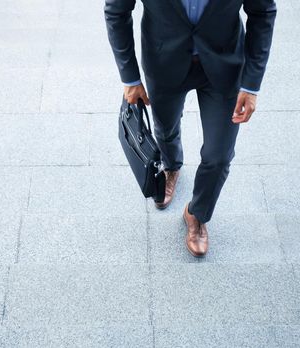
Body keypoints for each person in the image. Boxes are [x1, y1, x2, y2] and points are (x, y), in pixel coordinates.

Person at [104, 0, 277, 257]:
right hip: (164, 63)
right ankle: (172, 165)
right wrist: (130, 78)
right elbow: (116, 11)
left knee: (219, 157)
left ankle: (197, 214)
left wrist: (251, 85)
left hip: (224, 67)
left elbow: (263, 13)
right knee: (165, 128)